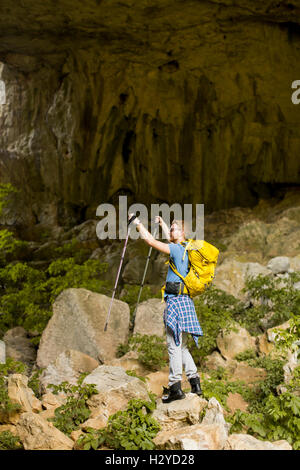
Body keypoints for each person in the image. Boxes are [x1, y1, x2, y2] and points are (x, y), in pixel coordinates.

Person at [128, 213, 203, 403]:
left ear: (184, 232)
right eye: (170, 228)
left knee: (173, 345)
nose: (171, 230)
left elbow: (152, 242)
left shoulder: (178, 249)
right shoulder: (186, 249)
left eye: (174, 228)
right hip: (186, 301)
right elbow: (170, 241)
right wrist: (163, 225)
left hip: (176, 302)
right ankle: (195, 383)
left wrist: (137, 224)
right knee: (182, 345)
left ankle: (176, 387)